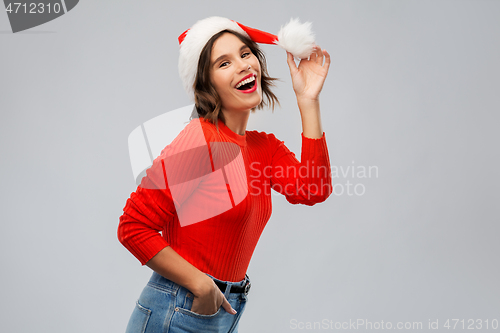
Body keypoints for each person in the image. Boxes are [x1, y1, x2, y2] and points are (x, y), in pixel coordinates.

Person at [118, 16, 332, 333]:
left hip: (223, 306)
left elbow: (314, 189)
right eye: (224, 63)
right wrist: (202, 287)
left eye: (246, 54)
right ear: (207, 84)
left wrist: (308, 101)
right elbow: (133, 226)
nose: (243, 66)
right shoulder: (201, 140)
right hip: (181, 306)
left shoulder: (264, 148)